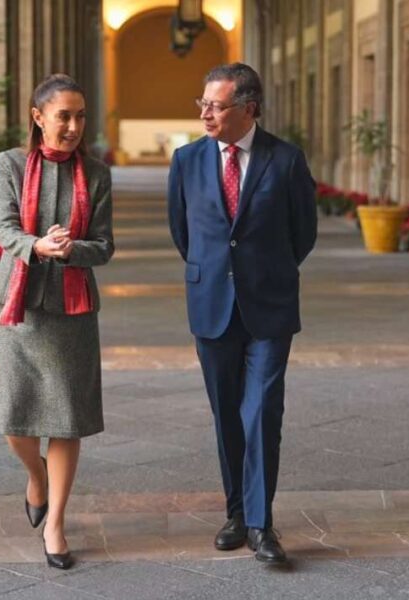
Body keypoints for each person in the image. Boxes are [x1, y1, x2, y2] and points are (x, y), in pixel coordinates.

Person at [167, 63, 317, 564]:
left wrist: (264, 271)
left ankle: (261, 523)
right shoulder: (186, 161)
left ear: (248, 108)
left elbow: (304, 234)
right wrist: (216, 272)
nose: (206, 113)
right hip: (211, 303)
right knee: (226, 413)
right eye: (203, 104)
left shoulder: (287, 160)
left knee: (262, 412)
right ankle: (236, 512)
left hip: (269, 306)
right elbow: (183, 233)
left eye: (216, 105)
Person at [0, 73, 114, 570]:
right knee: (14, 419)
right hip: (19, 305)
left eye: (81, 115)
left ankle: (56, 524)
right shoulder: (10, 165)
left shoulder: (98, 174)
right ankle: (36, 476)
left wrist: (69, 249)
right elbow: (2, 227)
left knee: (67, 418)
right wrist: (36, 246)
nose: (74, 125)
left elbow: (103, 246)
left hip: (73, 309)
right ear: (39, 117)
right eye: (64, 115)